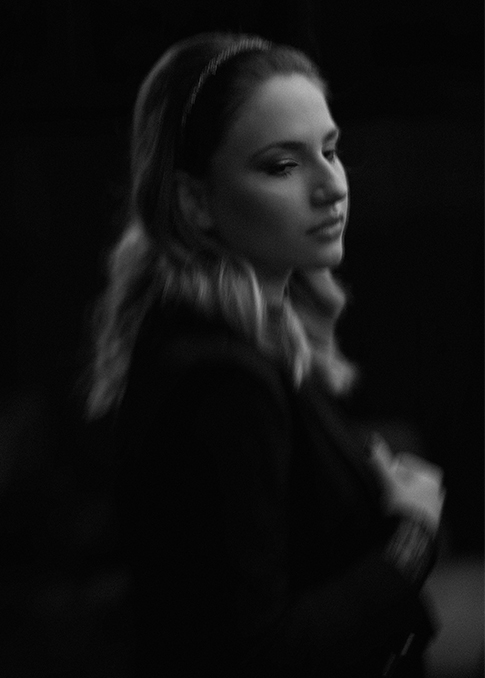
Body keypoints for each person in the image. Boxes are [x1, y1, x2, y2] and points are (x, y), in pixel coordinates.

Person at [86, 31, 446, 677]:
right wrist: (412, 537)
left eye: (330, 150)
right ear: (196, 202)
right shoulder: (222, 378)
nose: (331, 186)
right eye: (283, 165)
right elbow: (258, 658)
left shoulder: (237, 336)